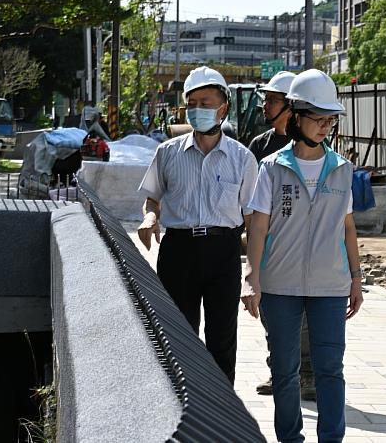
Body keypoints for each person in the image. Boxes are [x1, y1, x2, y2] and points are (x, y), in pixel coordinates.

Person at [241, 69, 364, 443]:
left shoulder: (342, 170)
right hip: (280, 284)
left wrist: (356, 278)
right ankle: (290, 438)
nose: (326, 126)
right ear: (296, 116)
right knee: (284, 369)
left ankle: (331, 438)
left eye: (331, 119)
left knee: (330, 369)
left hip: (330, 285)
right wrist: (252, 277)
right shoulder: (272, 167)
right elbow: (258, 227)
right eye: (319, 118)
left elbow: (347, 228)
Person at [137, 65, 258, 385]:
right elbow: (153, 198)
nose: (197, 110)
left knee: (222, 339)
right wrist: (150, 217)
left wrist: (253, 272)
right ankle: (182, 407)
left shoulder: (242, 159)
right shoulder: (168, 153)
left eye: (206, 103)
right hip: (179, 251)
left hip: (223, 251)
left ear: (223, 108)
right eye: (192, 104)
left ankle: (222, 416)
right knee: (178, 336)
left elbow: (253, 219)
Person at [247, 71, 317, 401]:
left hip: (303, 245)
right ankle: (280, 372)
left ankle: (308, 375)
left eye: (273, 100)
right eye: (266, 99)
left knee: (303, 316)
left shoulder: (311, 147)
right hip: (269, 244)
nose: (265, 105)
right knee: (272, 313)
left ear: (290, 106)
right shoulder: (260, 147)